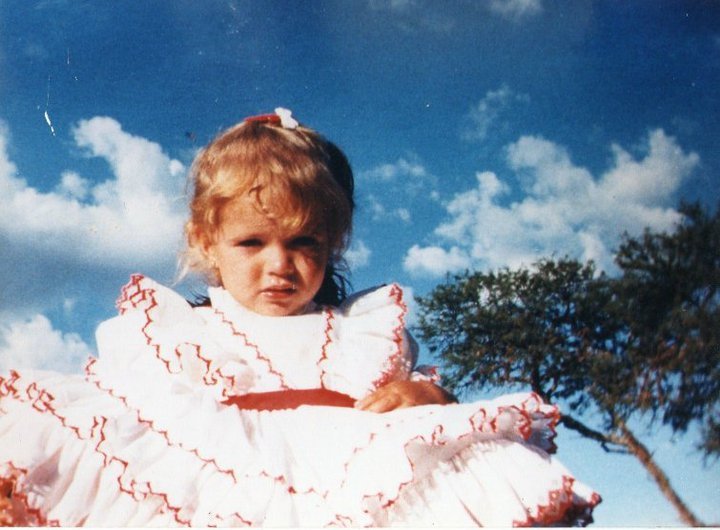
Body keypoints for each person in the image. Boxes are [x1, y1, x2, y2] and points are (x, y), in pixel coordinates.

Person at [0, 108, 600, 527]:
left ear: (333, 242)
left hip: (355, 494)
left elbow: (419, 404)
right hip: (227, 489)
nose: (279, 265)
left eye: (304, 242)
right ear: (206, 242)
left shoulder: (363, 334)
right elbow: (126, 416)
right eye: (251, 243)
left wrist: (424, 393)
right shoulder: (182, 333)